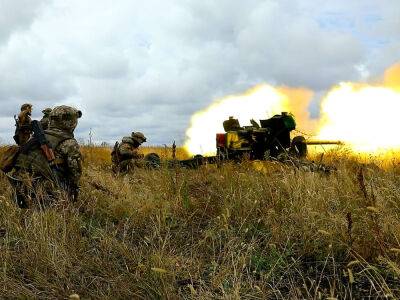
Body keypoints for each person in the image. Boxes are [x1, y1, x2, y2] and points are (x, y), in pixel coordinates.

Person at [9, 105, 82, 208]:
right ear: (70, 122)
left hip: (22, 187)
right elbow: (76, 173)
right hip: (46, 196)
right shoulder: (69, 142)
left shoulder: (35, 137)